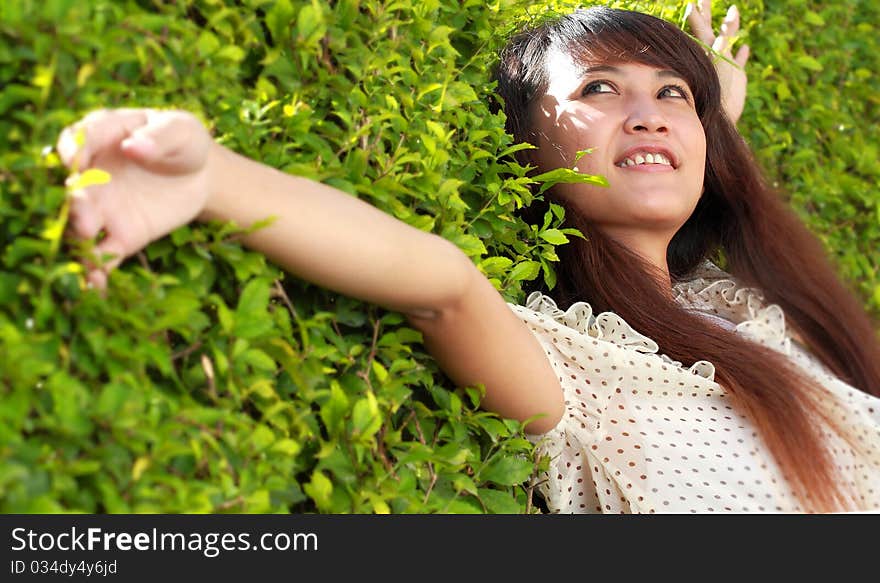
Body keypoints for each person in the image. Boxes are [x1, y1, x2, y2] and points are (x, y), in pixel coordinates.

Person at [55, 2, 880, 514]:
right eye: (599, 88)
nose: (652, 115)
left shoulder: (744, 310)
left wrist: (717, 99)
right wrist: (212, 178)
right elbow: (443, 286)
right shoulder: (578, 374)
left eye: (674, 96)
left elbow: (710, 153)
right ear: (525, 145)